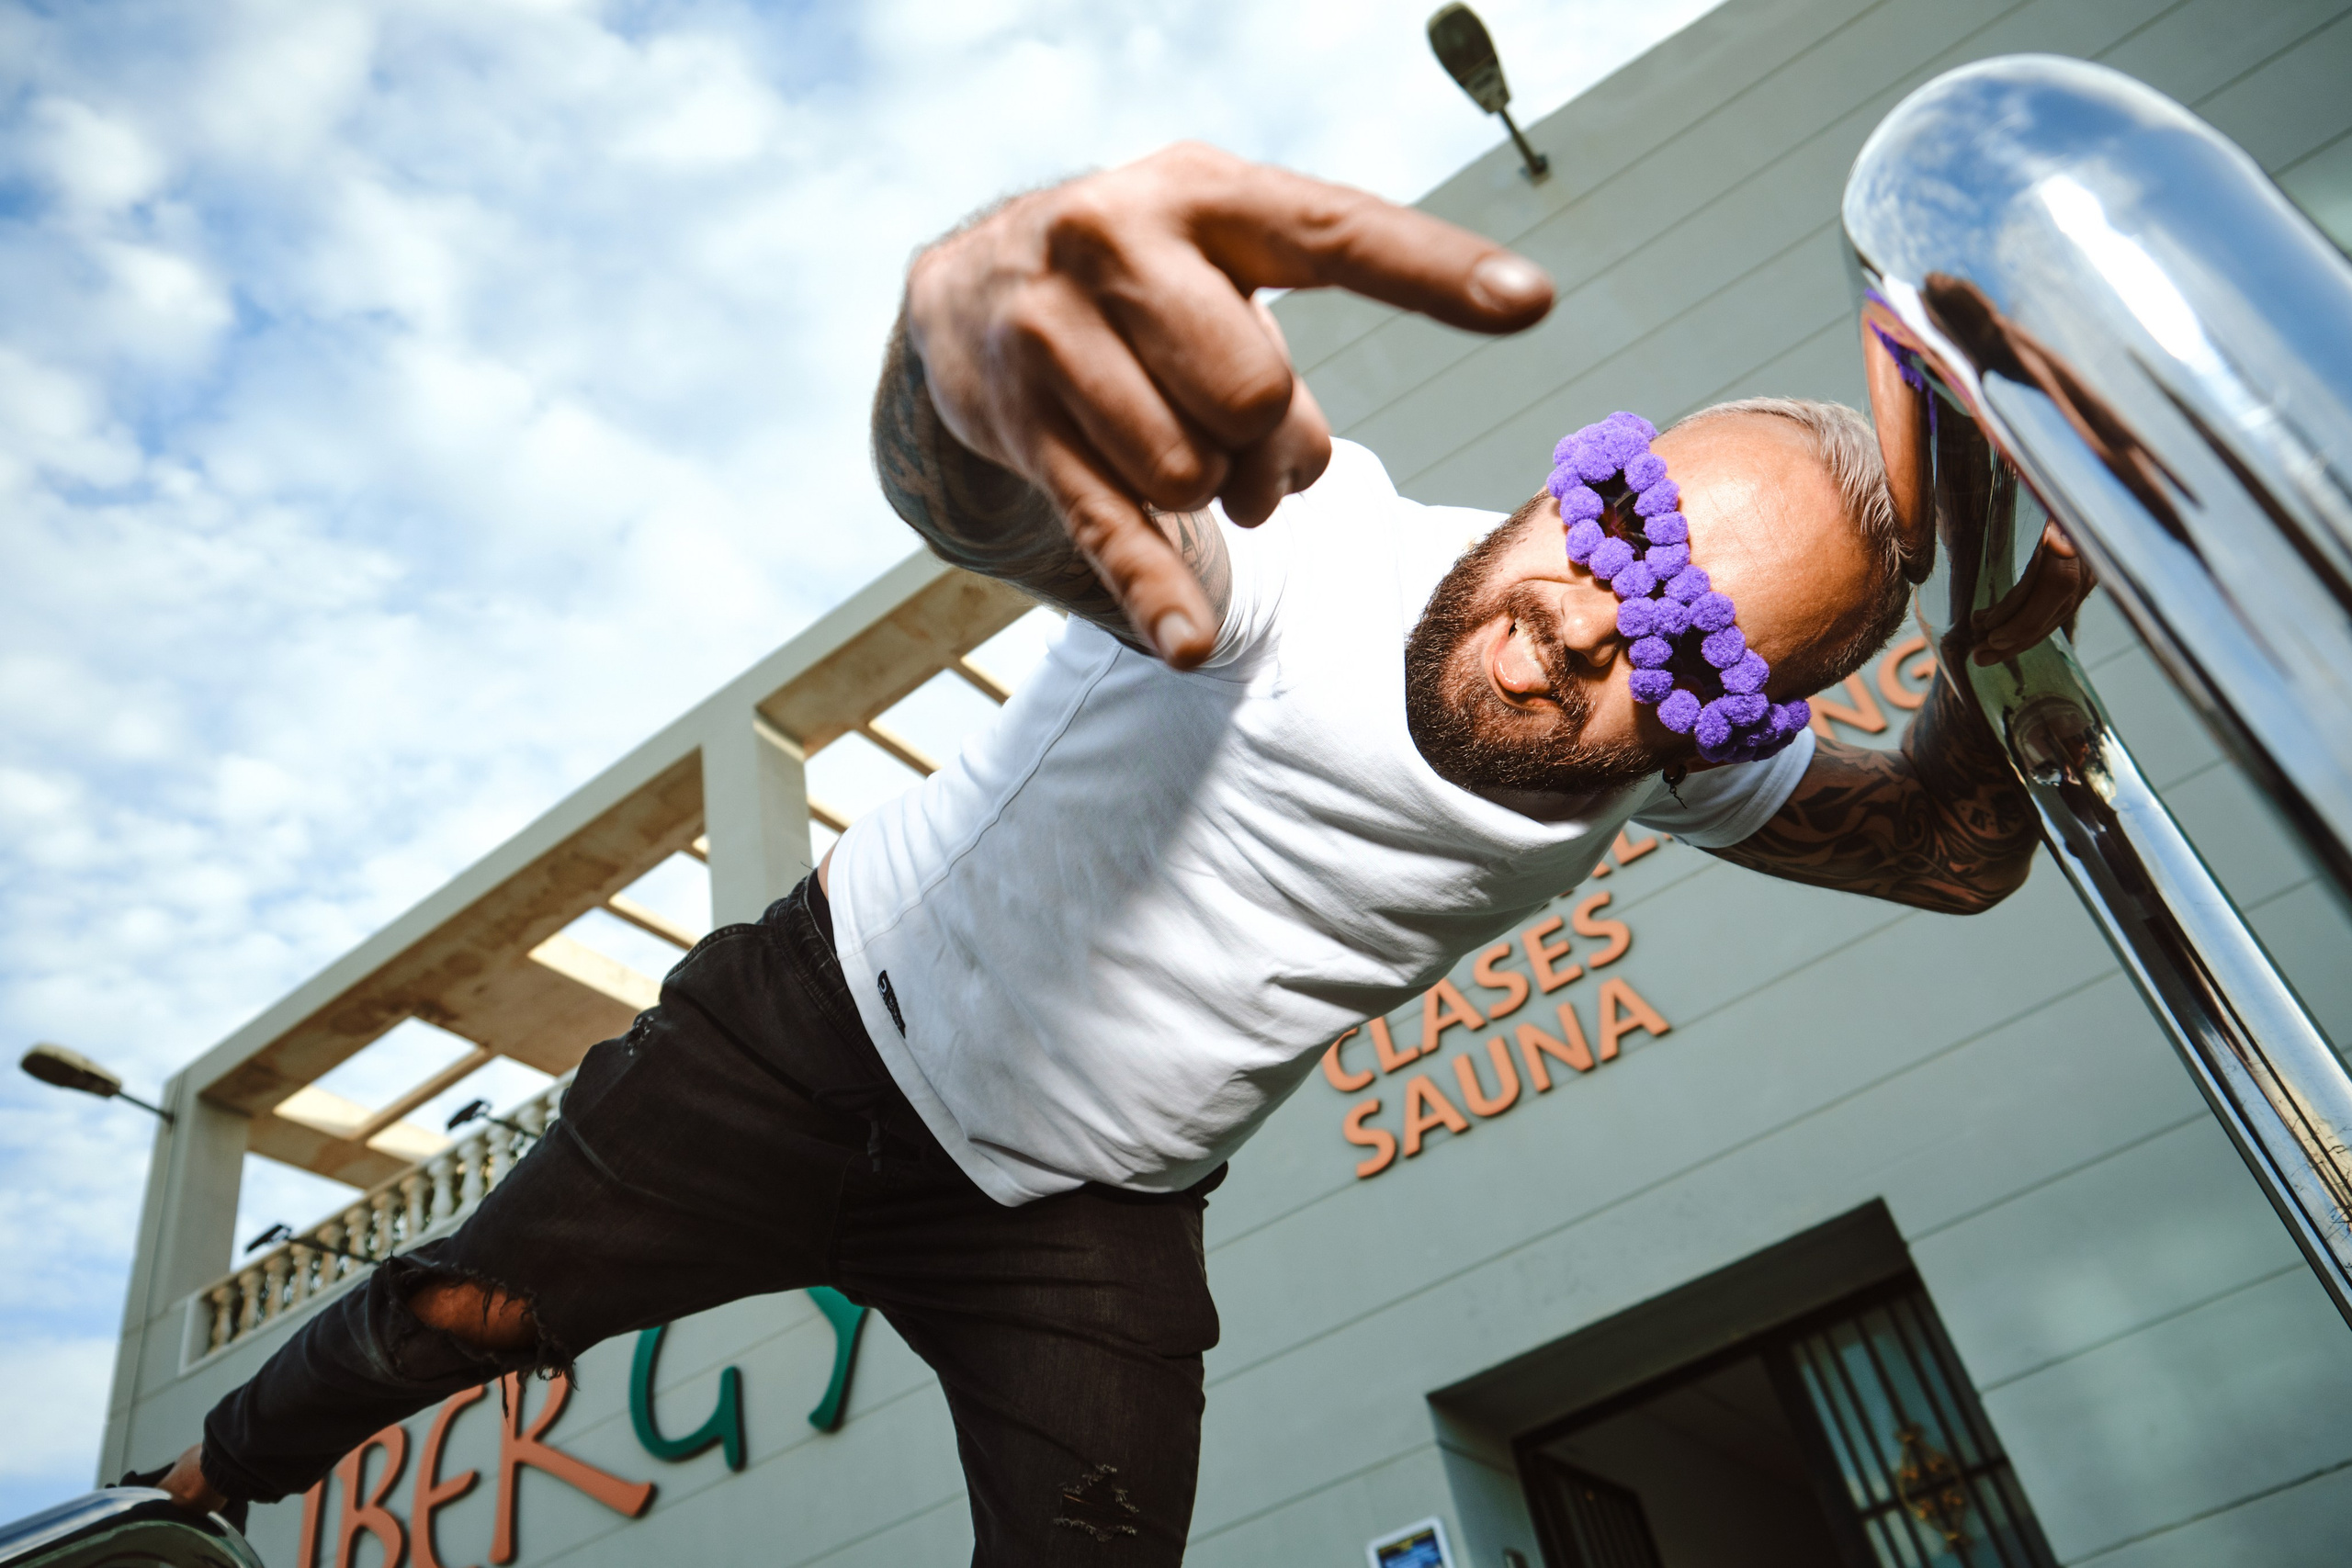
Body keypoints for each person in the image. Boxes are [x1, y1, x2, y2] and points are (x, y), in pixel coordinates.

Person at [161, 143, 2075, 1562]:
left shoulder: (1654, 767)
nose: (1591, 626)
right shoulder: (1306, 554)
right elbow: (995, 494)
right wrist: (961, 354)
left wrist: (2000, 629)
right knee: (461, 1315)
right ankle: (190, 1490)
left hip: (1077, 1217)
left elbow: (1944, 847)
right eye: (1617, 533)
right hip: (805, 1037)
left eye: (1688, 649)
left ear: (1728, 715)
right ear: (1579, 474)